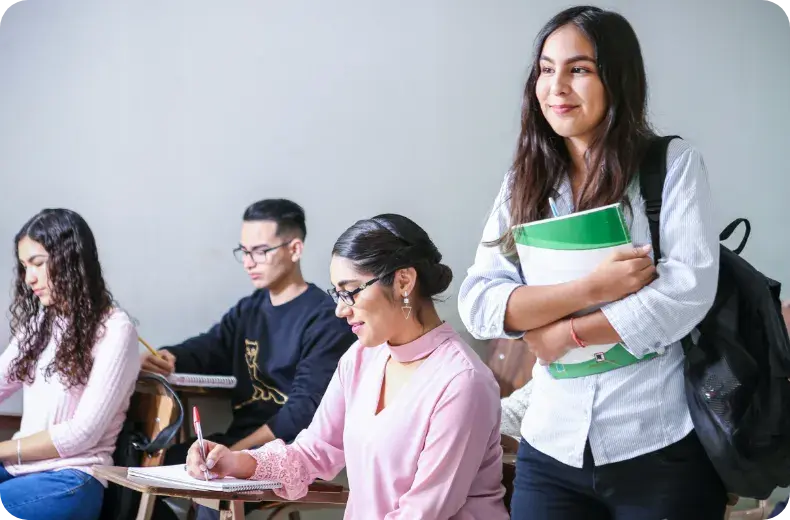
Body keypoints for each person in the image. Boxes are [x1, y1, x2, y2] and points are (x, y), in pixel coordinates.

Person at [457, 5, 726, 519]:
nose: (556, 86)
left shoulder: (671, 164)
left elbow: (684, 294)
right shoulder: (523, 181)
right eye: (546, 68)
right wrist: (593, 289)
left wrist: (564, 335)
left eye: (578, 69)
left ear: (617, 79)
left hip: (658, 441)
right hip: (552, 444)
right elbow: (479, 301)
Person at [183, 214, 509, 519]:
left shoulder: (462, 382)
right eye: (336, 294)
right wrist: (234, 462)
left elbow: (423, 511)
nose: (340, 310)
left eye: (350, 292)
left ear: (403, 281)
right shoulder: (360, 358)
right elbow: (314, 451)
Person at [140, 198, 356, 519]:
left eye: (260, 251)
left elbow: (301, 414)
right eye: (244, 251)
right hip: (239, 441)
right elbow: (209, 347)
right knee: (150, 466)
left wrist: (236, 452)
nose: (248, 262)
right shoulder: (250, 309)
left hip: (292, 452)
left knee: (211, 487)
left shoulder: (326, 318)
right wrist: (169, 358)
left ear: (294, 249)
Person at [0, 209, 140, 520]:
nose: (29, 278)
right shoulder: (40, 322)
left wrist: (3, 449)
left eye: (37, 263)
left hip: (72, 479)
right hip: (18, 469)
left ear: (70, 259)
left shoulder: (116, 330)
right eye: (24, 266)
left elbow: (82, 434)